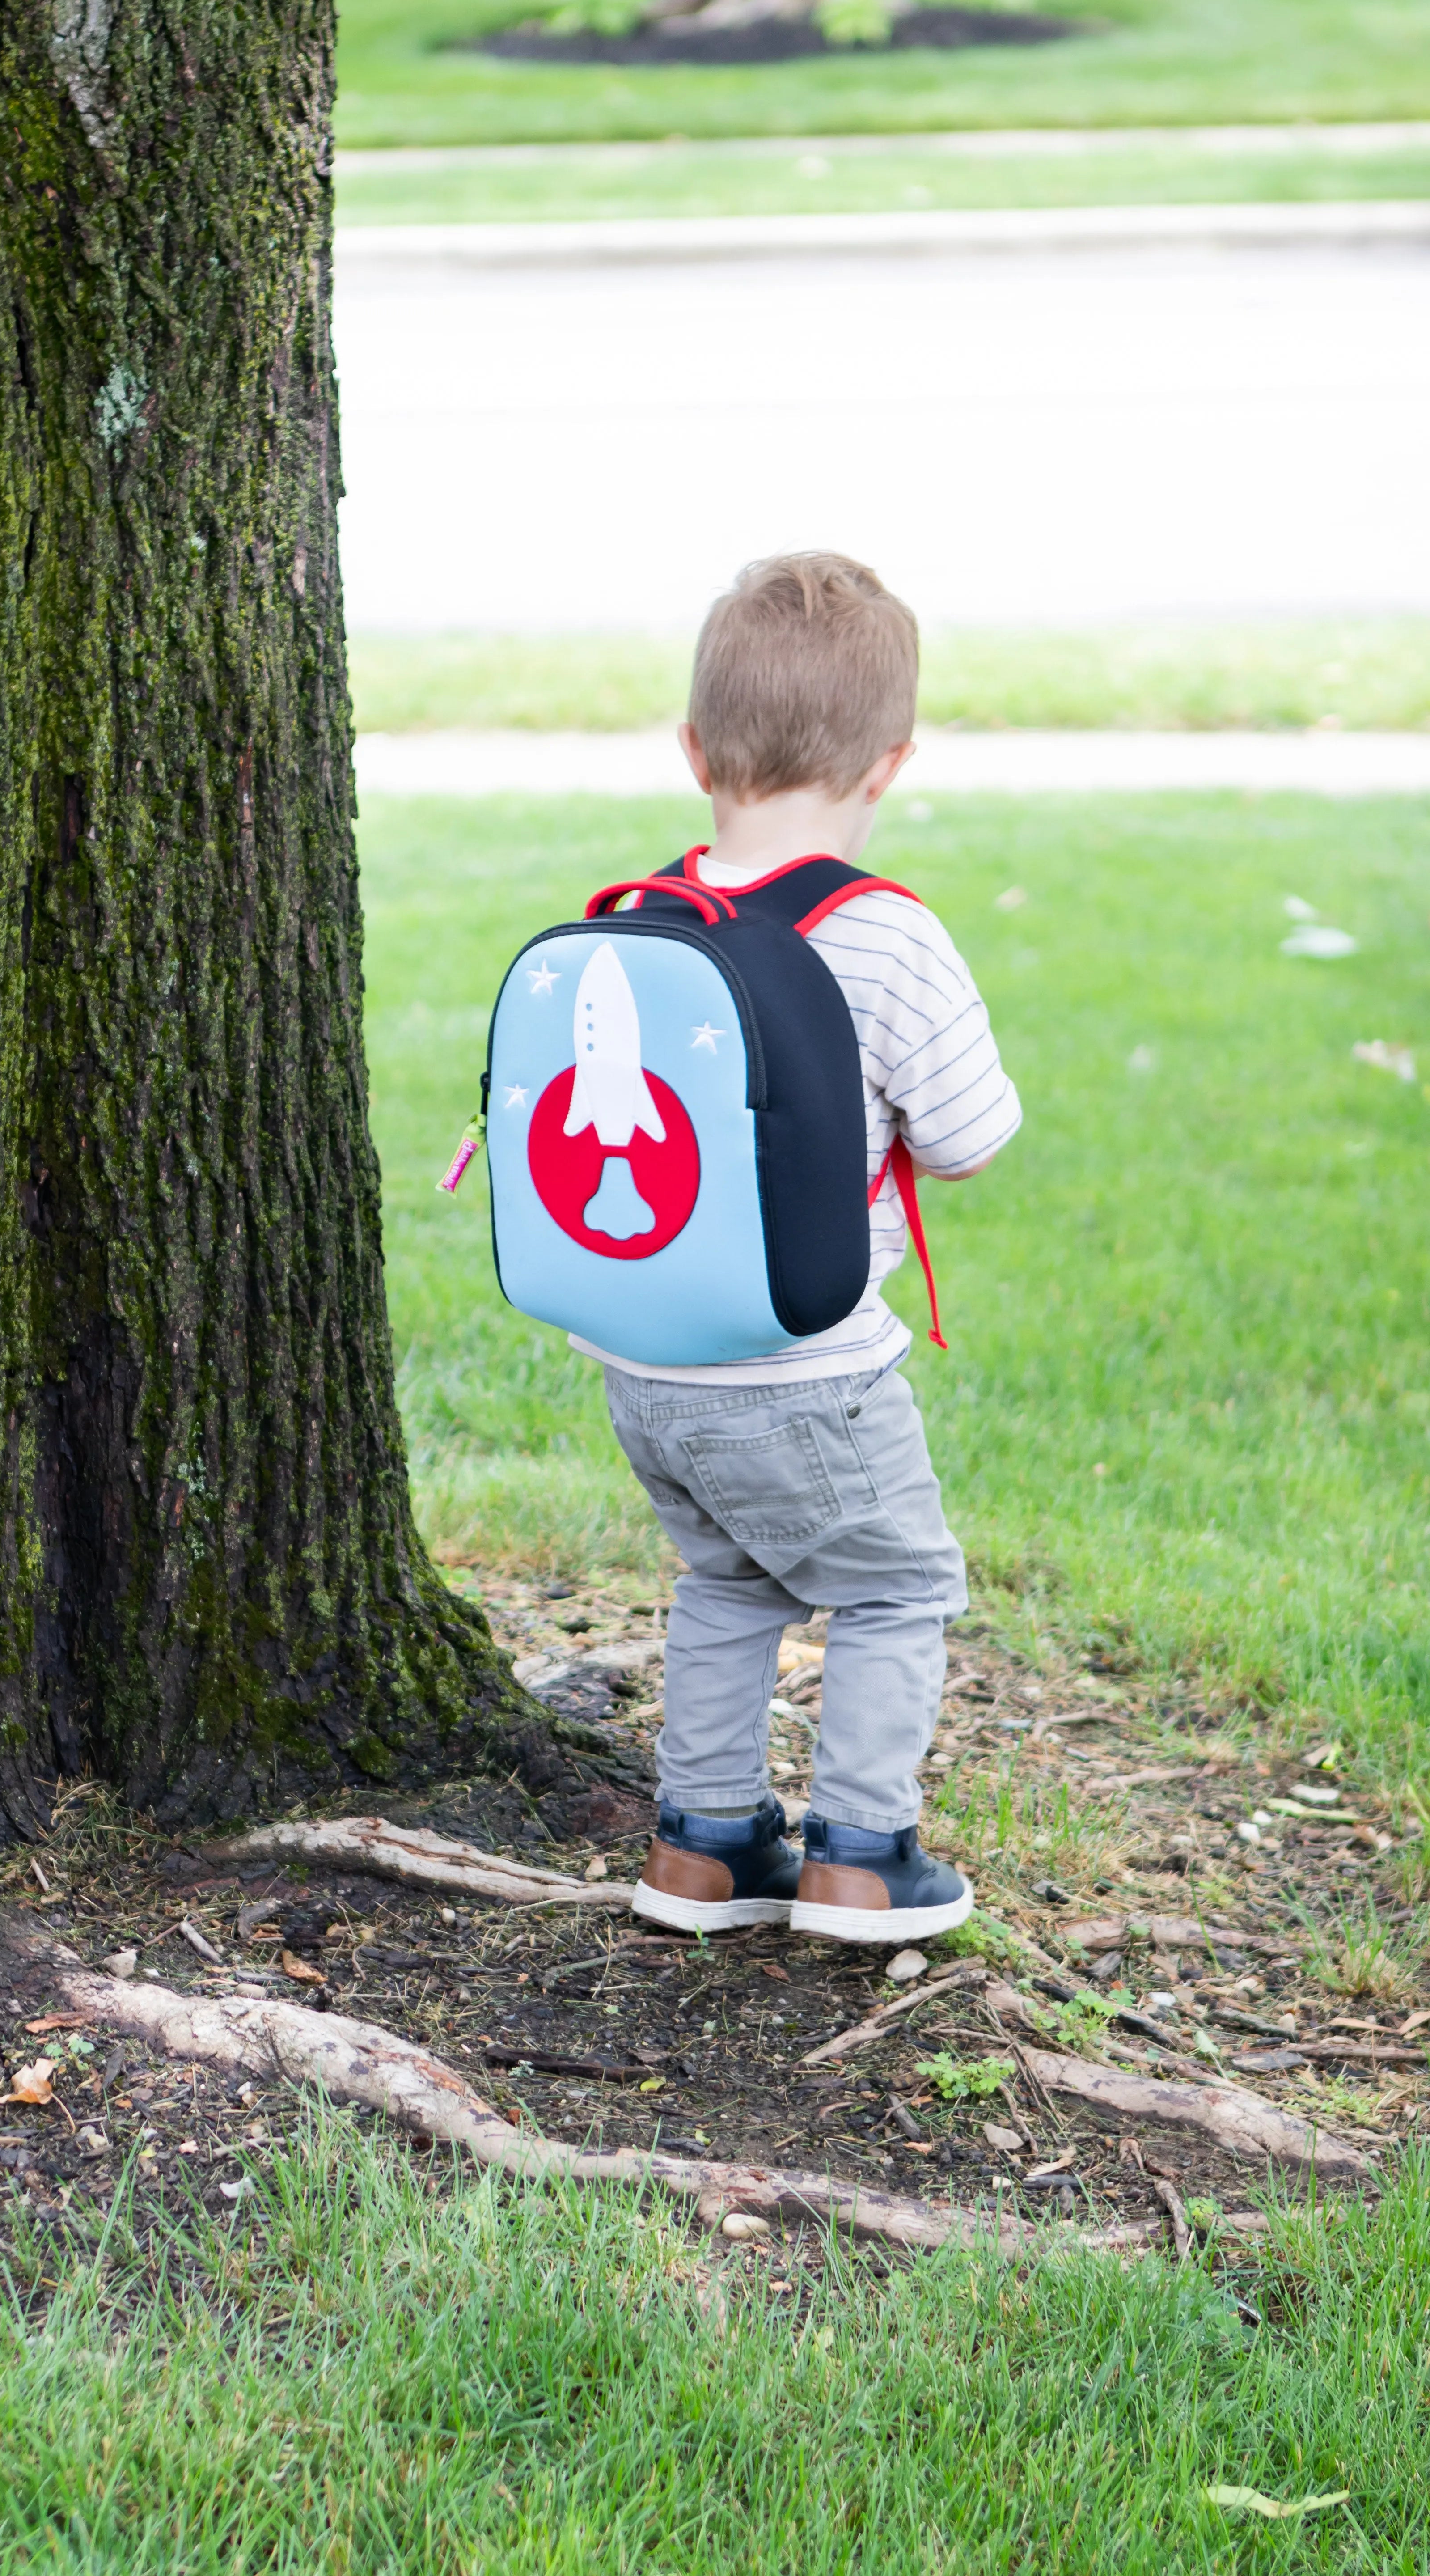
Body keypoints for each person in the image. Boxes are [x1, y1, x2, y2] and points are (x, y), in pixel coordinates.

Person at [579, 552, 1022, 1942]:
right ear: (889, 763)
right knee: (896, 1585)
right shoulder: (886, 937)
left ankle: (704, 1849)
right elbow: (968, 1135)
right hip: (806, 1368)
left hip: (644, 1360)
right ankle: (862, 1859)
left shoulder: (638, 920)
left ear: (696, 749)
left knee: (730, 1582)